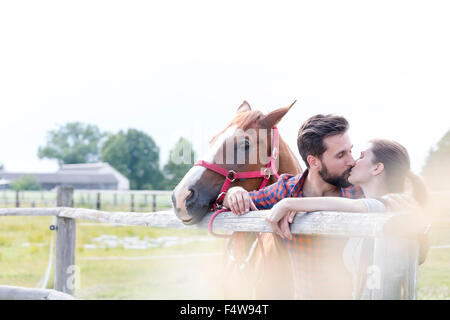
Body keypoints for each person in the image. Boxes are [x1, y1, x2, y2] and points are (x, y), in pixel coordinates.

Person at [222, 114, 423, 299]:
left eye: (351, 151)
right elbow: (226, 202)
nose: (351, 161)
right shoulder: (286, 189)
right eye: (340, 155)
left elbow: (411, 244)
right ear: (314, 162)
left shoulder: (360, 189)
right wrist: (233, 193)